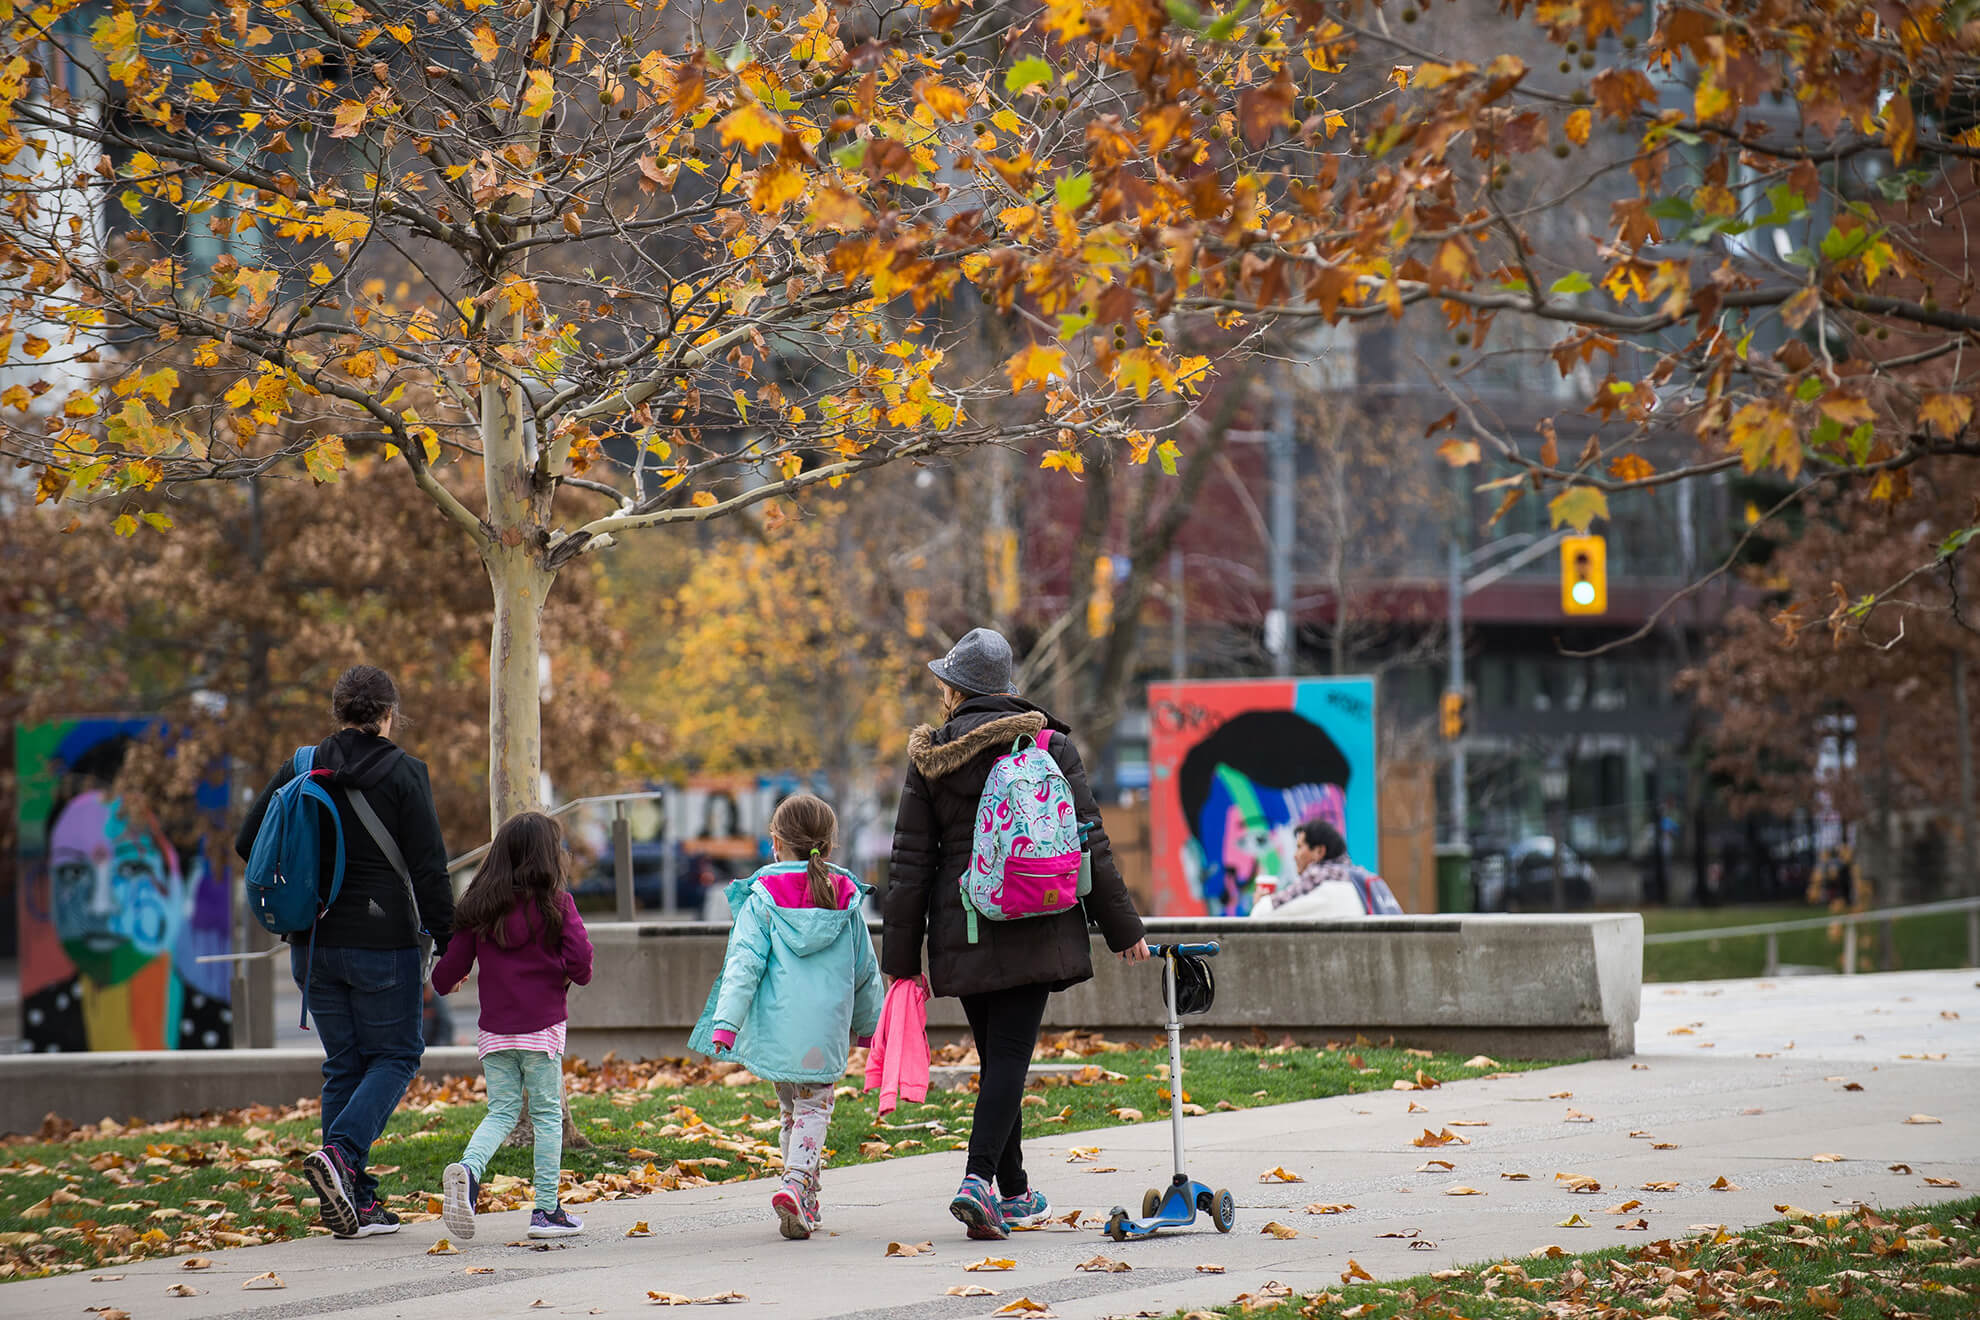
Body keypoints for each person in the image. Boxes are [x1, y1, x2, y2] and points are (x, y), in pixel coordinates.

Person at [882, 627, 1149, 1242]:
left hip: (966, 926)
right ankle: (978, 1182)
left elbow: (910, 862)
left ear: (955, 690)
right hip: (1038, 922)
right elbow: (1089, 842)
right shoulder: (1049, 745)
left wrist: (902, 958)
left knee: (998, 1059)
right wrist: (1122, 927)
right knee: (1007, 1060)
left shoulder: (932, 757)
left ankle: (1016, 1191)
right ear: (1006, 687)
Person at [233, 665, 453, 1240]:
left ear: (338, 712)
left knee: (344, 1065)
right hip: (384, 944)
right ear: (388, 714)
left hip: (313, 944)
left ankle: (356, 1201)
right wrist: (450, 939)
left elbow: (244, 842)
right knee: (398, 1056)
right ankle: (344, 1156)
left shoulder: (302, 767)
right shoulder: (406, 773)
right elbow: (429, 869)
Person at [689, 794, 882, 1240]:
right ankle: (797, 1184)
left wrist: (726, 1023)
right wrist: (871, 1027)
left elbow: (744, 963)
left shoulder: (762, 898)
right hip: (825, 1032)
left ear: (775, 842)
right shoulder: (845, 898)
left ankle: (803, 1199)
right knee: (815, 1107)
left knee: (791, 1112)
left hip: (777, 1030)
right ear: (828, 847)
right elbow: (864, 971)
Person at [434, 811, 594, 1240]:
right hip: (541, 1030)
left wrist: (453, 976)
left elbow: (445, 975)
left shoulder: (481, 907)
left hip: (495, 1032)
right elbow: (582, 965)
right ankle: (545, 1211)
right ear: (548, 856)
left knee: (501, 1111)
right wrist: (556, 972)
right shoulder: (558, 905)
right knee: (545, 1116)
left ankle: (468, 1171)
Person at [1254, 820, 1403, 917]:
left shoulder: (1318, 879)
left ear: (1319, 851)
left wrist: (1261, 902)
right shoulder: (1365, 879)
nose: (1295, 856)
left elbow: (1262, 914)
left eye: (1299, 847)